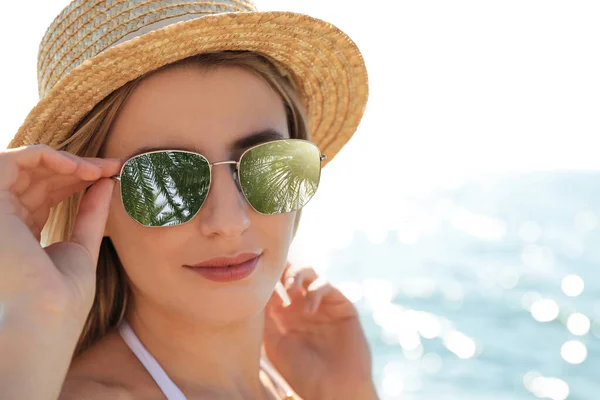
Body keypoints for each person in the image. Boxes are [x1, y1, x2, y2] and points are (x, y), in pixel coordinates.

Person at [0, 1, 374, 399]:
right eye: (165, 179)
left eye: (267, 164)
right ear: (93, 201)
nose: (229, 221)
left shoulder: (299, 380)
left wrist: (344, 392)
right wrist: (40, 315)